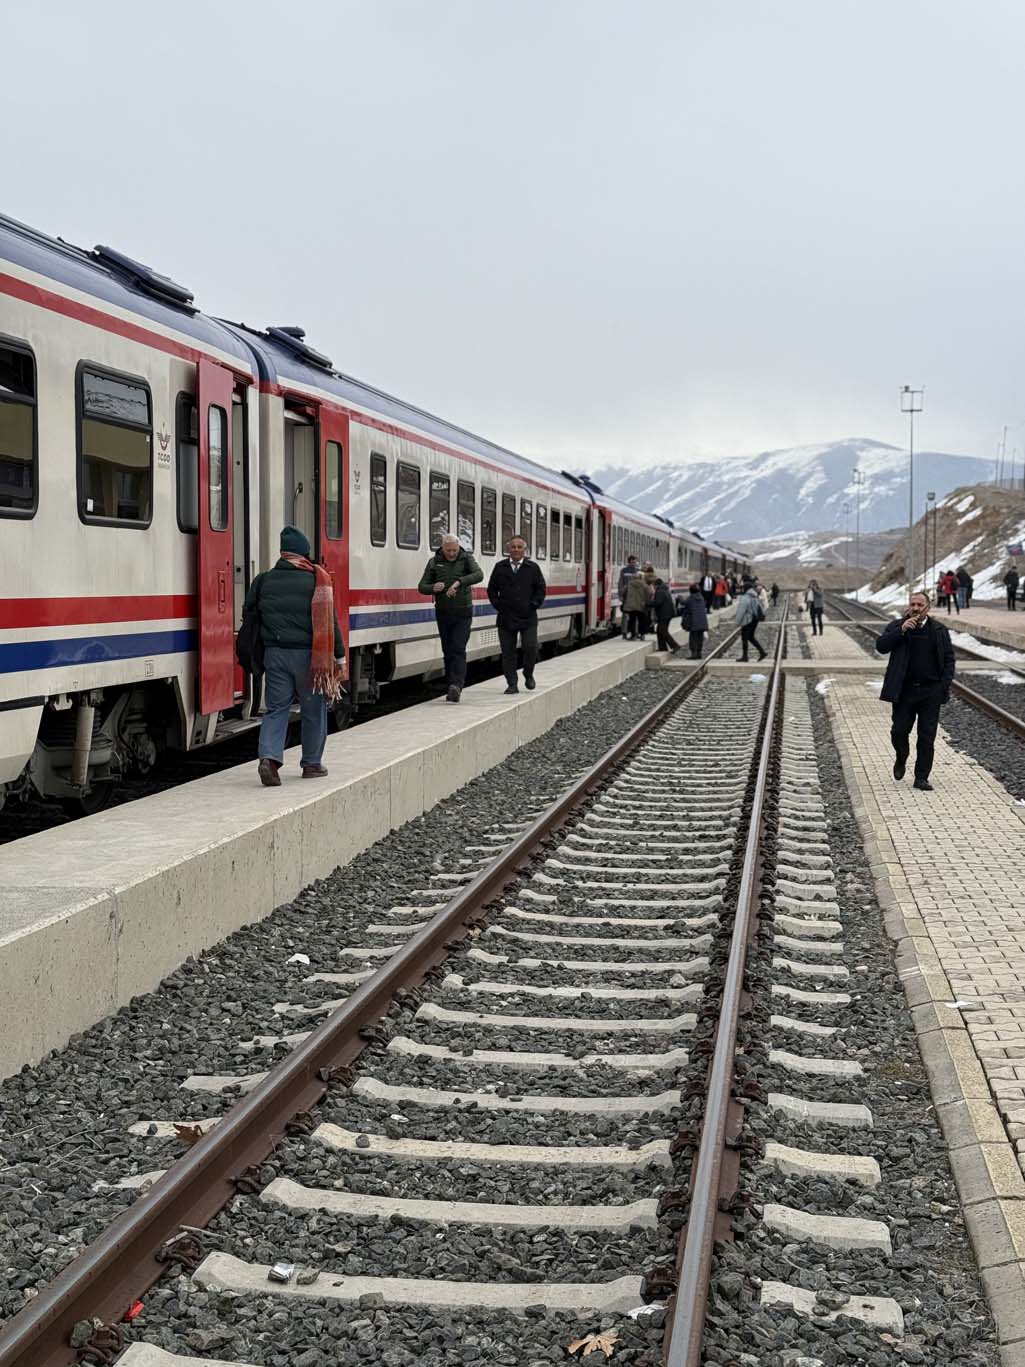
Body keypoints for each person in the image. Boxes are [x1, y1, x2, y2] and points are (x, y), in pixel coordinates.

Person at [243, 525, 346, 787]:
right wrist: (340, 657)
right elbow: (330, 623)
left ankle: (269, 758)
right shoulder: (318, 579)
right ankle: (311, 763)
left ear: (282, 552)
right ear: (304, 553)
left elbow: (249, 613)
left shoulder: (263, 580)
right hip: (310, 658)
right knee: (313, 709)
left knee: (277, 708)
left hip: (275, 655)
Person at [876, 590, 955, 791]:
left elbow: (948, 659)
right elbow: (881, 646)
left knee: (927, 736)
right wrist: (901, 630)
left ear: (927, 608)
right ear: (909, 606)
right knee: (899, 731)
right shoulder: (897, 626)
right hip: (904, 692)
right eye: (913, 604)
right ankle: (901, 756)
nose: (916, 608)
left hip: (930, 692)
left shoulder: (938, 630)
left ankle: (921, 777)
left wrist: (943, 684)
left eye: (920, 605)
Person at [418, 533, 484, 702]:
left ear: (458, 547)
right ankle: (451, 685)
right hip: (443, 612)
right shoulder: (434, 562)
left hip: (463, 611)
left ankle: (456, 685)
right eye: (449, 551)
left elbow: (479, 574)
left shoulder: (466, 558)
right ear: (442, 548)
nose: (452, 554)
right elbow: (422, 586)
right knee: (447, 650)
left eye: (454, 550)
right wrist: (433, 587)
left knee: (458, 647)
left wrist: (460, 582)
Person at [487, 535, 547, 693]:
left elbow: (541, 589)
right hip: (506, 617)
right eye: (513, 547)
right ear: (508, 549)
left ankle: (528, 674)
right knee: (508, 652)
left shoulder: (532, 568)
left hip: (528, 617)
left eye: (519, 547)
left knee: (530, 647)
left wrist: (533, 605)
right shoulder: (500, 567)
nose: (516, 550)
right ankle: (512, 683)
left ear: (524, 550)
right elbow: (491, 589)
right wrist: (499, 606)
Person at [735, 581, 766, 662]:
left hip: (748, 620)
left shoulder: (746, 597)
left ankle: (745, 657)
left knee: (744, 638)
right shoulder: (755, 596)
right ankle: (762, 652)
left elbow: (741, 611)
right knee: (750, 637)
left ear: (745, 588)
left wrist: (737, 622)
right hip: (755, 620)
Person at [622, 566, 652, 640]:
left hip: (631, 606)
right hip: (641, 605)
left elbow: (623, 592)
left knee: (632, 620)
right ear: (642, 577)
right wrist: (647, 602)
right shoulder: (645, 585)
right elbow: (649, 594)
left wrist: (626, 599)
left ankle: (633, 636)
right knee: (642, 620)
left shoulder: (629, 584)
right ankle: (642, 635)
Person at [679, 583, 709, 659]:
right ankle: (699, 653)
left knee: (693, 639)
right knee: (700, 638)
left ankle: (694, 654)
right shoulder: (701, 597)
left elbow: (684, 603)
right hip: (702, 622)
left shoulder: (691, 598)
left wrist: (680, 598)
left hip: (694, 622)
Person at [651, 578, 681, 653]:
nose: (653, 587)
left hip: (664, 614)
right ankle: (662, 647)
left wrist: (649, 603)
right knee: (659, 630)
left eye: (654, 585)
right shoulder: (664, 589)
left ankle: (675, 645)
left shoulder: (660, 591)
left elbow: (658, 602)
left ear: (656, 585)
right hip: (667, 614)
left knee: (662, 630)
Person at [618, 554, 640, 623]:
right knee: (625, 614)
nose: (633, 564)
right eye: (632, 562)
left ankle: (635, 631)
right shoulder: (624, 571)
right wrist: (620, 595)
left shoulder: (638, 571)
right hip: (626, 595)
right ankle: (624, 631)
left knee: (635, 614)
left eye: (635, 562)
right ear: (629, 562)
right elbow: (620, 583)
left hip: (636, 596)